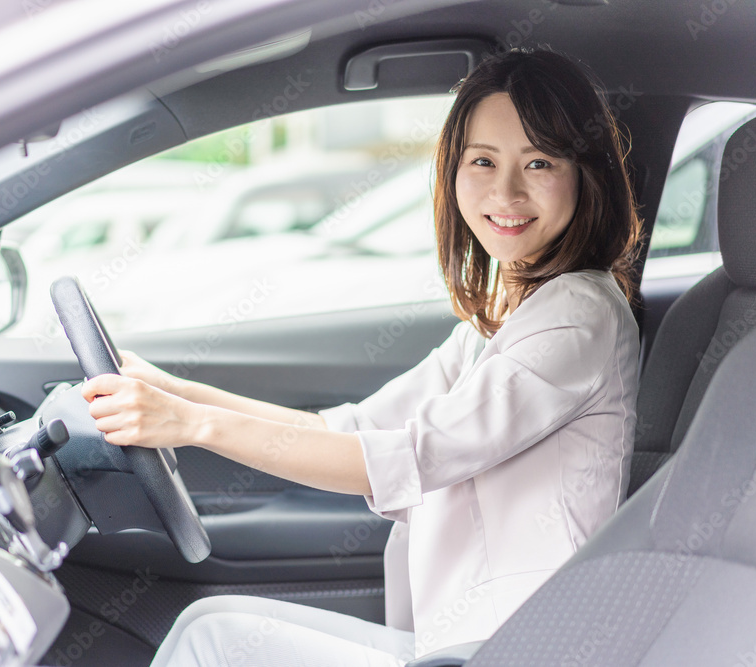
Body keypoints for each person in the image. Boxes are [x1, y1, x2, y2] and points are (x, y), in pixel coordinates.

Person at [81, 47, 643, 666]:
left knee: (213, 642)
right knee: (208, 620)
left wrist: (192, 425)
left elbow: (399, 460)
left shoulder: (579, 315)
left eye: (539, 162)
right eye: (482, 161)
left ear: (584, 174)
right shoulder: (503, 319)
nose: (505, 190)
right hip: (463, 642)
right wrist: (175, 393)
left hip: (521, 648)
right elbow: (348, 430)